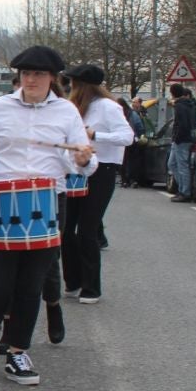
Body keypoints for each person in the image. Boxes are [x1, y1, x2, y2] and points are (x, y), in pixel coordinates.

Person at [0, 46, 95, 386]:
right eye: (26, 74)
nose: (31, 80)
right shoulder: (0, 108)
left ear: (52, 79)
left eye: (39, 75)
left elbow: (87, 163)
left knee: (32, 283)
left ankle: (18, 352)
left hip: (49, 201)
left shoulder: (66, 113)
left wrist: (83, 159)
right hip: (4, 202)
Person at [60, 65, 132, 304]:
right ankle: (73, 281)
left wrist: (95, 135)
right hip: (76, 171)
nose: (70, 88)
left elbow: (127, 136)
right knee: (67, 229)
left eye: (74, 83)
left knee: (87, 229)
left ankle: (92, 287)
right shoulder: (74, 108)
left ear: (84, 86)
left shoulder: (109, 107)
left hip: (103, 170)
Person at [168, 84, 196, 202]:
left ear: (173, 93)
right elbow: (193, 123)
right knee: (173, 164)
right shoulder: (191, 105)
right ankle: (183, 189)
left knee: (181, 166)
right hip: (188, 138)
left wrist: (176, 137)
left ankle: (185, 192)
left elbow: (182, 124)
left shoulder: (179, 106)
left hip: (181, 140)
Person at [120, 97, 145, 187]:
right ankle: (133, 180)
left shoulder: (120, 114)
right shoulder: (133, 114)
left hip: (122, 140)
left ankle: (125, 180)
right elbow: (140, 127)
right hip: (133, 140)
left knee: (124, 161)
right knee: (133, 161)